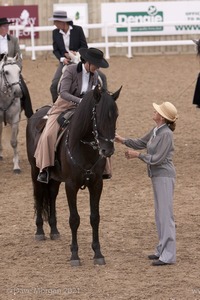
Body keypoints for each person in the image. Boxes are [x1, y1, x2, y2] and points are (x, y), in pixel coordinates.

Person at [115, 101, 178, 266]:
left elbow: (157, 159)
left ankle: (168, 255)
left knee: (166, 216)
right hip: (157, 177)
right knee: (159, 215)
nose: (154, 112)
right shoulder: (156, 130)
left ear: (162, 118)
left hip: (164, 176)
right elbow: (140, 142)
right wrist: (122, 140)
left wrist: (138, 156)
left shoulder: (166, 135)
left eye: (157, 111)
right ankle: (161, 250)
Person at [34, 47, 109, 184]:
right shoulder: (70, 70)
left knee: (103, 130)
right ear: (88, 62)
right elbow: (63, 93)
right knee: (49, 134)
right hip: (64, 106)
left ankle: (104, 168)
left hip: (85, 109)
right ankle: (44, 169)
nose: (98, 67)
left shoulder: (96, 75)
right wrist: (81, 101)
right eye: (96, 64)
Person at [49, 10, 107, 103]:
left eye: (56, 22)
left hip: (79, 59)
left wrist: (76, 53)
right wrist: (62, 58)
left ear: (62, 22)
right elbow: (55, 50)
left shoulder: (78, 30)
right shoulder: (55, 32)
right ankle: (56, 105)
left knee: (102, 77)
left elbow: (84, 46)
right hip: (65, 61)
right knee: (54, 85)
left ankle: (103, 101)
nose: (54, 24)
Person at [0, 17, 33, 118]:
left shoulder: (13, 40)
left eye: (8, 26)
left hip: (12, 70)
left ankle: (29, 114)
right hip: (0, 70)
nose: (7, 28)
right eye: (5, 26)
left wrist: (16, 69)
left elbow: (19, 56)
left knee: (23, 89)